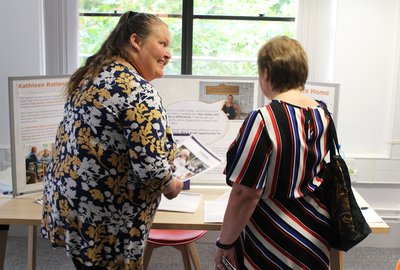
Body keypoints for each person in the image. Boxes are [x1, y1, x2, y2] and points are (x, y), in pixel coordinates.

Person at [41, 11, 183, 270]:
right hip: (108, 222)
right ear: (136, 41)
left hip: (73, 209)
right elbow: (151, 169)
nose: (169, 53)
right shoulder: (138, 91)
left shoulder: (91, 75)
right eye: (162, 43)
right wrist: (171, 184)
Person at [214, 36, 333, 270]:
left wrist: (224, 242)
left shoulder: (263, 119)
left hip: (271, 238)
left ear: (266, 73)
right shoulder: (323, 115)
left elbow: (245, 194)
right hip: (315, 235)